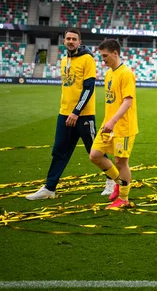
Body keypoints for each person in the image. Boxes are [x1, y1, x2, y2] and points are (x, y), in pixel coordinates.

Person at [26, 29, 99, 200]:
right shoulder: (64, 60)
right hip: (64, 114)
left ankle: (113, 181)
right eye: (68, 39)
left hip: (84, 115)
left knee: (95, 151)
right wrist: (68, 112)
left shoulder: (88, 59)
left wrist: (76, 112)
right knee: (59, 151)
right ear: (64, 41)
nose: (71, 41)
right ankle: (49, 188)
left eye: (74, 39)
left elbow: (89, 89)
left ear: (80, 42)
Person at [88, 39, 138, 209]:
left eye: (105, 56)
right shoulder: (109, 72)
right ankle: (119, 182)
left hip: (123, 126)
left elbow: (128, 101)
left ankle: (124, 198)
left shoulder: (126, 73)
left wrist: (113, 120)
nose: (103, 59)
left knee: (120, 162)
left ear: (115, 53)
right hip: (109, 124)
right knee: (94, 155)